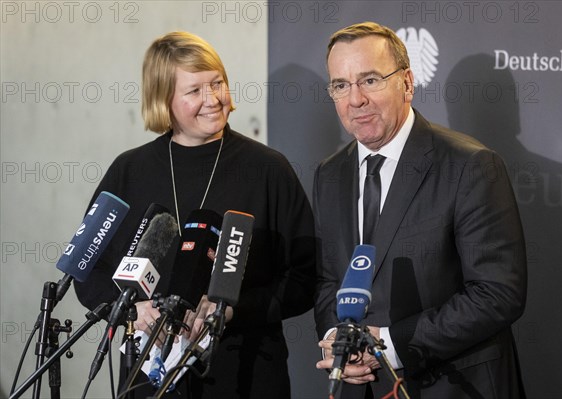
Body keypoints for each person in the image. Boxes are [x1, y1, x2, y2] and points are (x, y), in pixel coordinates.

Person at [74, 31, 316, 399]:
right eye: (194, 91)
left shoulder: (268, 169)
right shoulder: (129, 171)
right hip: (147, 377)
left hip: (245, 376)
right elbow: (87, 272)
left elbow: (306, 277)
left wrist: (231, 311)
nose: (213, 99)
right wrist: (130, 311)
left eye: (217, 83)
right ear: (163, 100)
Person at [313, 22, 527, 398]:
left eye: (371, 80)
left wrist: (390, 345)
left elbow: (497, 292)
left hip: (455, 385)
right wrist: (337, 338)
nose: (355, 99)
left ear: (407, 82)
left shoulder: (471, 165)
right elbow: (330, 278)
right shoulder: (329, 173)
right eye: (341, 85)